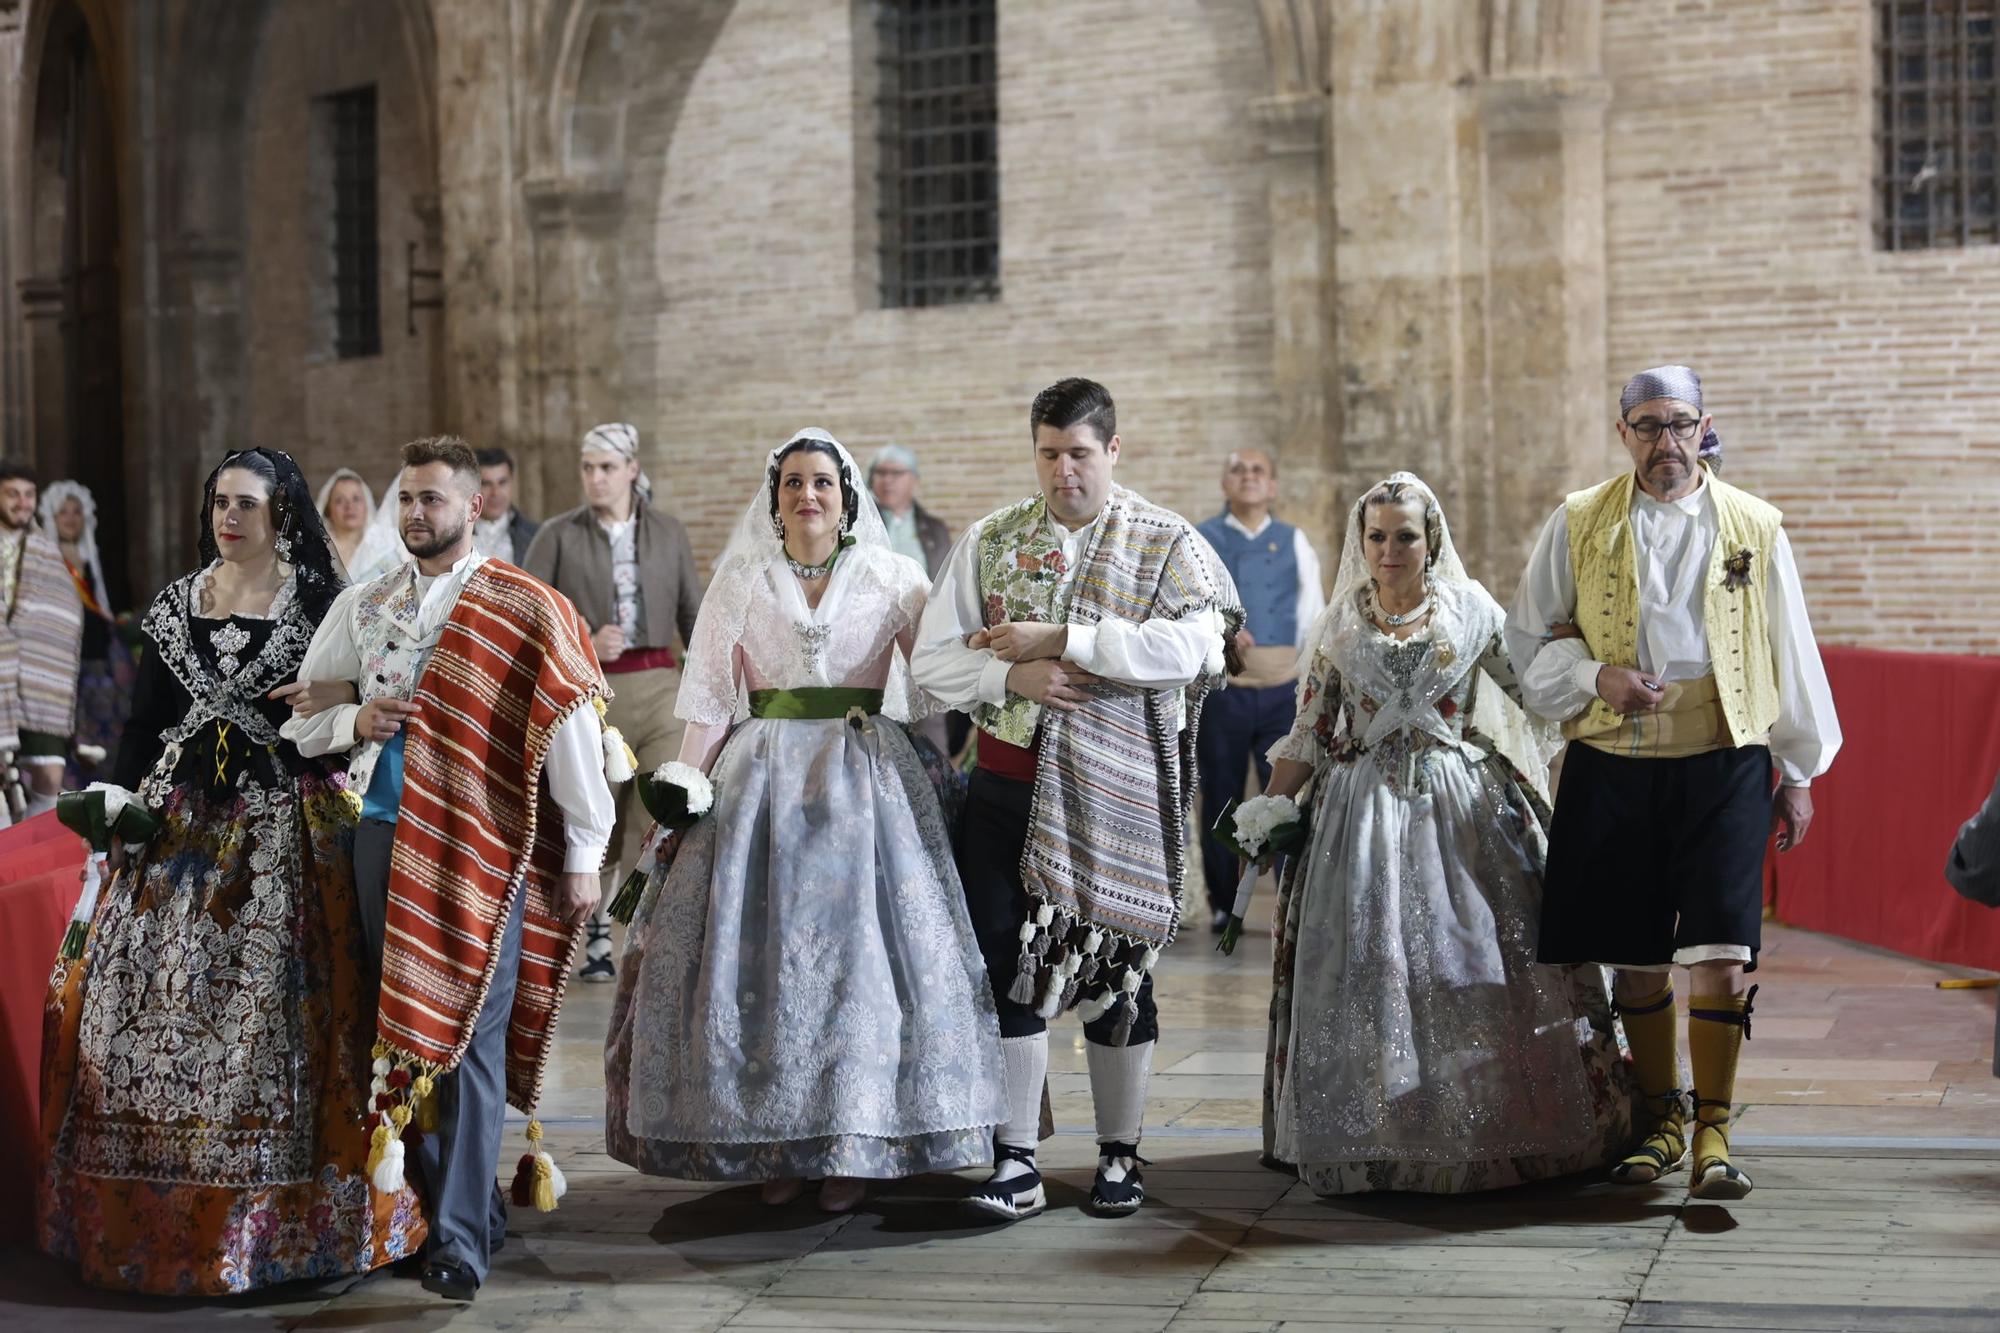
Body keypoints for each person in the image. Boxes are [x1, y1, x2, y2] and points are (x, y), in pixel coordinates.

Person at [38, 447, 426, 1293]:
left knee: (297, 1009)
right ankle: (139, 1223)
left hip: (285, 821)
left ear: (281, 512)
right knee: (116, 996)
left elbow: (359, 692)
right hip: (174, 830)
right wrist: (117, 802)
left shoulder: (322, 600)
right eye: (220, 502)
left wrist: (346, 711)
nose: (230, 517)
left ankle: (293, 1231)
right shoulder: (178, 605)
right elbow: (145, 722)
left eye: (247, 504)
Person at [604, 428, 1007, 1214]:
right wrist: (683, 791)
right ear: (775, 494)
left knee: (861, 964)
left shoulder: (895, 577)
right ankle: (774, 1143)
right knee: (763, 965)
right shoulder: (740, 581)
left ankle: (851, 1141)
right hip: (760, 786)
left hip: (864, 782)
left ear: (846, 494)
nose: (808, 495)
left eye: (822, 481)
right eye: (793, 482)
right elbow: (711, 705)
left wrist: (945, 776)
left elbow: (932, 687)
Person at [282, 435, 615, 1302]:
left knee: (469, 1033)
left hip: (484, 848)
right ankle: (456, 1211)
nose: (417, 513)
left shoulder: (525, 606)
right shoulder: (365, 604)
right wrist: (354, 720)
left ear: (475, 507)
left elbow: (571, 726)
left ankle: (461, 1239)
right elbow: (302, 717)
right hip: (383, 834)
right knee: (401, 1032)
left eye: (434, 498)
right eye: (408, 499)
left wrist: (585, 852)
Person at [1507, 365, 1842, 1201]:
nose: (1666, 442)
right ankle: (1659, 1118)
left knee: (1724, 950)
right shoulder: (1578, 520)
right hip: (1614, 757)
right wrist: (1594, 676)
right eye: (1648, 425)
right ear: (1623, 432)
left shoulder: (1756, 525)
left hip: (1725, 752)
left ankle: (1715, 1130)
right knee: (1638, 955)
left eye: (1680, 423)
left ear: (1704, 426)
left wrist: (1797, 769)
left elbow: (1788, 648)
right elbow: (1525, 642)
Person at [912, 378, 1239, 1220]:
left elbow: (1199, 647)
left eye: (1081, 454)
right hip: (1006, 790)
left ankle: (1120, 1155)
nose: (1064, 472)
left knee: (1117, 972)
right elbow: (929, 662)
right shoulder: (993, 538)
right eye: (1049, 453)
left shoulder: (1166, 541)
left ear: (1113, 452)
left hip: (1117, 798)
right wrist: (1006, 672)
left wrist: (1066, 639)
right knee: (1006, 967)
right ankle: (1015, 1159)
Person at [1256, 472, 1631, 1195]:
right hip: (1357, 821)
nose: (1390, 549)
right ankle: (1380, 1134)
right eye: (1377, 536)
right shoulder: (1336, 625)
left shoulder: (1473, 611)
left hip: (1464, 810)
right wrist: (1263, 817)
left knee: (1474, 966)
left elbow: (1536, 698)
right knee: (1369, 970)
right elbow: (1308, 731)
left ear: (1432, 541)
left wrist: (1593, 728)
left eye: (1405, 535)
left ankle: (1487, 1128)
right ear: (1360, 542)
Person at [523, 422, 703, 984]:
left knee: (663, 810)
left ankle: (642, 931)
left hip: (659, 684)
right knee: (599, 813)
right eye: (587, 467)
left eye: (606, 467)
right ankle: (593, 933)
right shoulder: (557, 534)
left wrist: (712, 688)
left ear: (631, 469)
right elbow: (527, 614)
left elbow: (692, 616)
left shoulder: (669, 532)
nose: (595, 478)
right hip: (590, 695)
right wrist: (582, 639)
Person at [1194, 449, 1325, 932]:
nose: (1248, 477)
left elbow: (1315, 613)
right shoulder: (1201, 539)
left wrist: (1311, 686)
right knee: (1222, 796)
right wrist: (1220, 627)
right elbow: (1185, 605)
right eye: (1238, 470)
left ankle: (1292, 898)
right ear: (1224, 484)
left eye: (1258, 471)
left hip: (1283, 692)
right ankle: (1225, 905)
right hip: (1224, 690)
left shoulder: (1294, 542)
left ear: (1272, 486)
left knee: (1285, 796)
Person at [868, 443, 963, 756]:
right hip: (873, 641)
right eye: (880, 473)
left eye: (896, 473)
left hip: (923, 636)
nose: (887, 480)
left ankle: (938, 790)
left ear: (914, 481)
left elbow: (944, 582)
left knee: (930, 723)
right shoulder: (860, 525)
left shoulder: (933, 529)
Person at [39, 480, 136, 786]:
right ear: (52, 519)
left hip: (100, 661)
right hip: (67, 664)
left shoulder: (90, 555)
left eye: (76, 512)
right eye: (63, 513)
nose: (70, 518)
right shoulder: (47, 557)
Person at [0, 462, 82, 819]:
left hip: (38, 681)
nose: (22, 502)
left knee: (50, 774)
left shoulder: (46, 550)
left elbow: (63, 613)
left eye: (29, 495)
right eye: (12, 494)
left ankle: (32, 855)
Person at [473, 446, 540, 564]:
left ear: (512, 483)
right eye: (486, 484)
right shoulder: (454, 536)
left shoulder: (537, 536)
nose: (496, 493)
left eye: (502, 482)